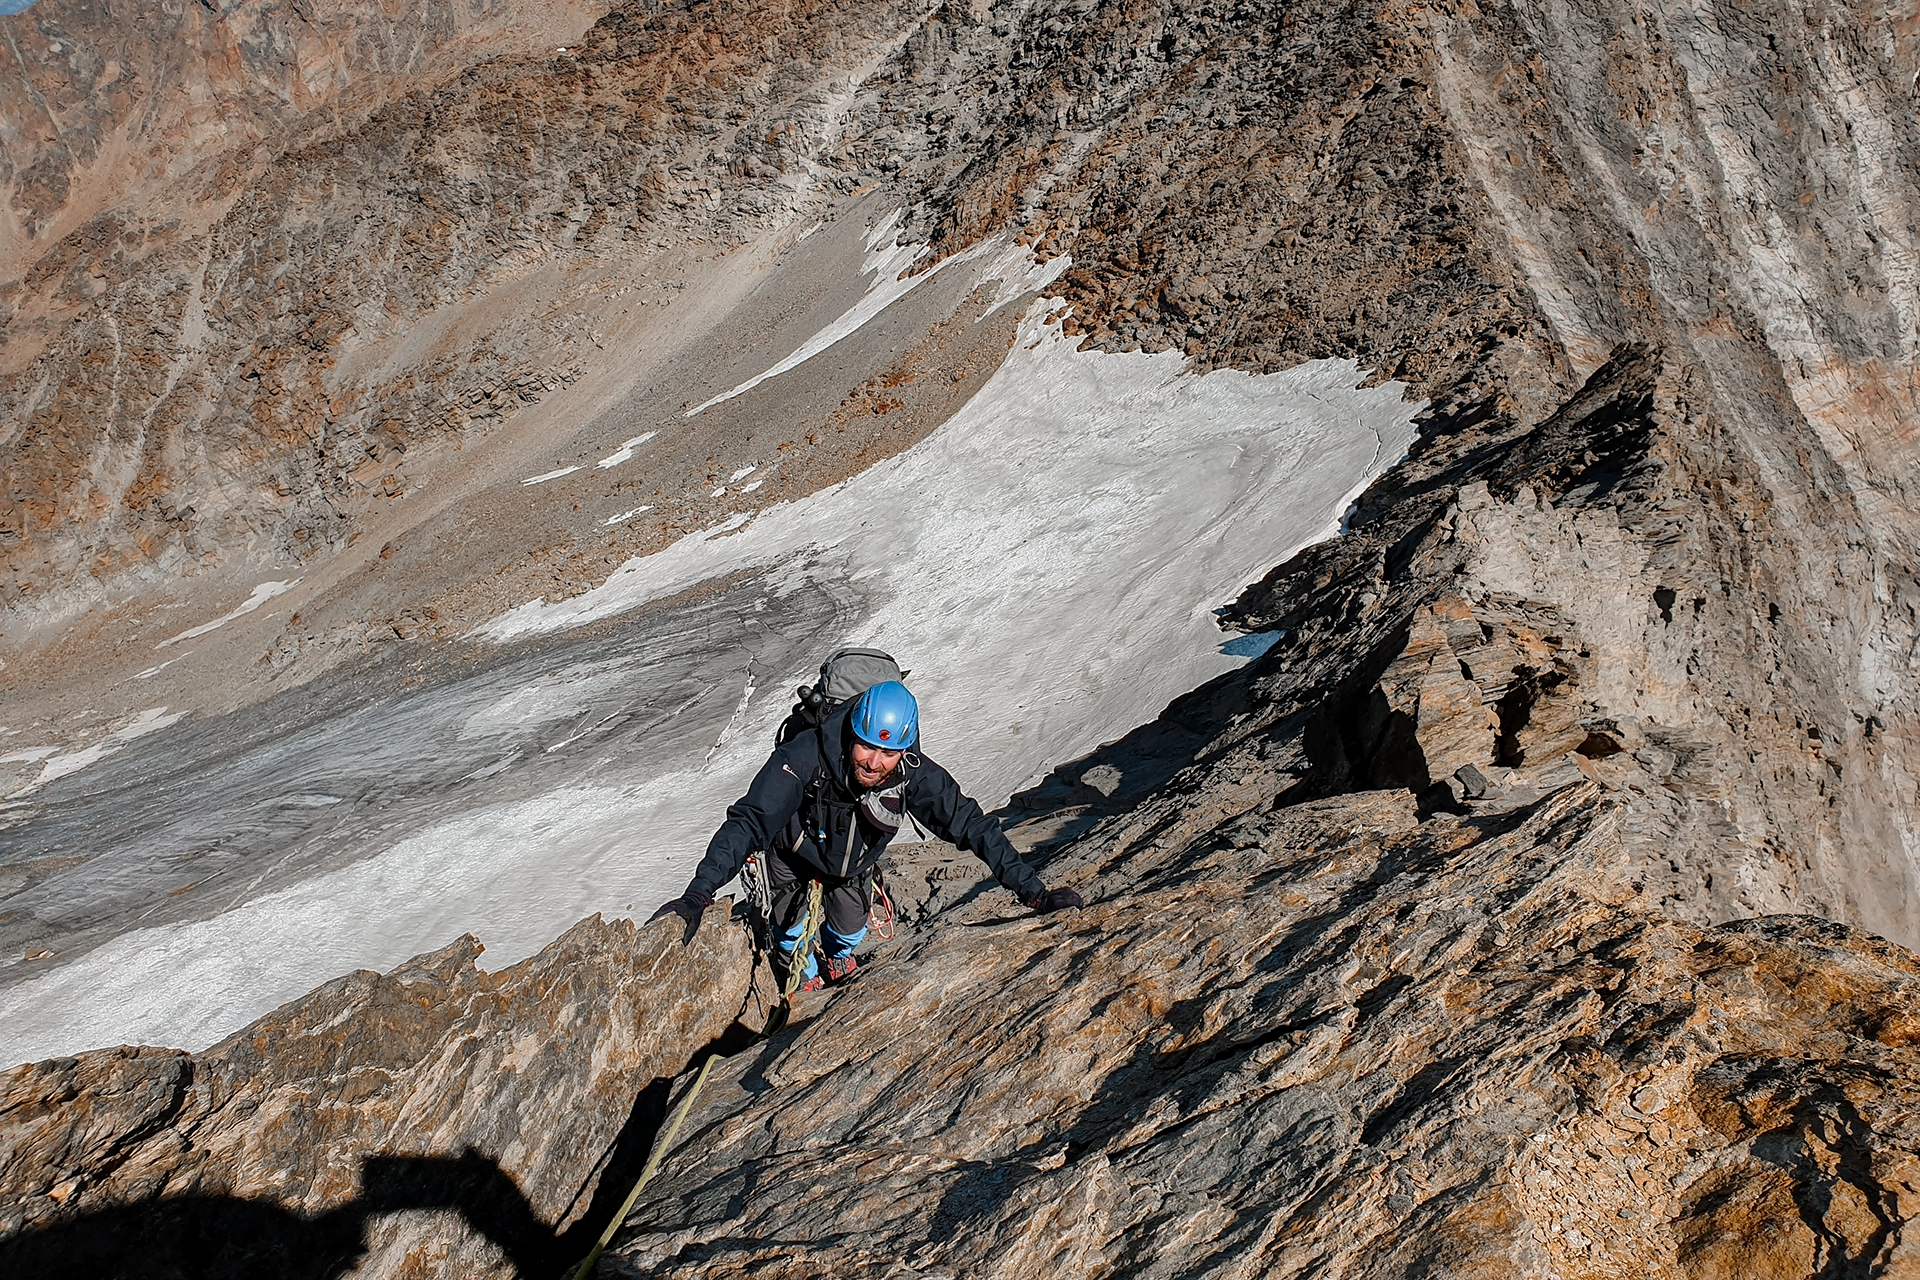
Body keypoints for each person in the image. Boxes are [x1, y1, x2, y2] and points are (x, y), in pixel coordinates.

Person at [652, 680, 1083, 989]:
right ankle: (801, 974)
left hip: (852, 864)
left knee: (850, 928)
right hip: (791, 855)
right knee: (789, 932)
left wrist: (1036, 894)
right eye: (866, 746)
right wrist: (699, 893)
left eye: (889, 752)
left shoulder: (912, 772)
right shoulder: (805, 756)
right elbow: (749, 821)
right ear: (851, 732)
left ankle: (837, 955)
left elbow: (973, 825)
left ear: (906, 749)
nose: (875, 762)